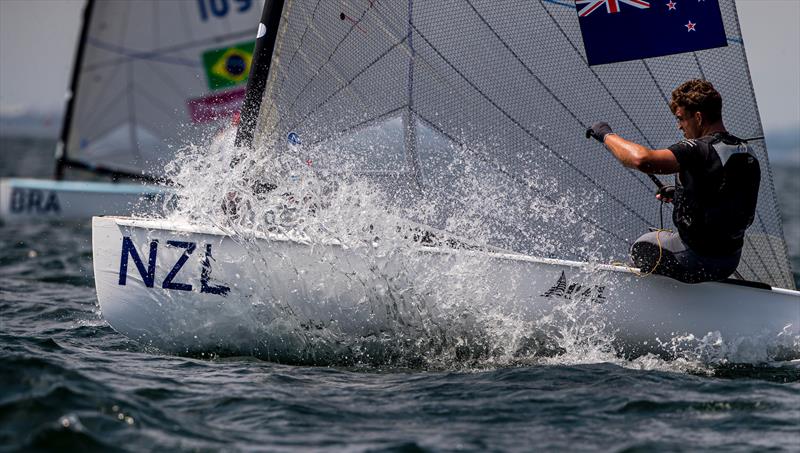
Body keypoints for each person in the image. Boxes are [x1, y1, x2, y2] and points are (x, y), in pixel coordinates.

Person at [586, 79, 760, 283]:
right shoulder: (746, 150)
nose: (679, 126)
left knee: (643, 246)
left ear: (698, 117)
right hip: (729, 261)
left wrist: (607, 135)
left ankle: (655, 302)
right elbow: (725, 199)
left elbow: (642, 160)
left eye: (681, 119)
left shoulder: (698, 149)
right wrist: (681, 196)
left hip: (694, 261)